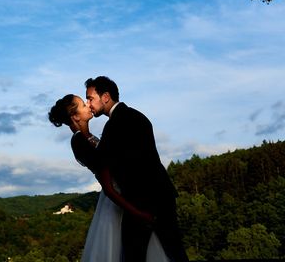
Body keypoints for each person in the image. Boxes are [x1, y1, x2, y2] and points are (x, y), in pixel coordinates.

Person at [49, 94, 169, 262]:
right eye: (84, 105)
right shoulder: (80, 142)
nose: (89, 106)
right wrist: (139, 213)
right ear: (75, 116)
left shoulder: (88, 137)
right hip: (118, 204)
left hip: (127, 196)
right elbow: (108, 187)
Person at [83, 76, 189, 262]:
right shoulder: (138, 116)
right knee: (176, 252)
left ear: (106, 97)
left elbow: (100, 161)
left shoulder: (114, 125)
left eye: (90, 98)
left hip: (141, 202)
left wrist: (84, 133)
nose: (88, 103)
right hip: (164, 196)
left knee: (133, 256)